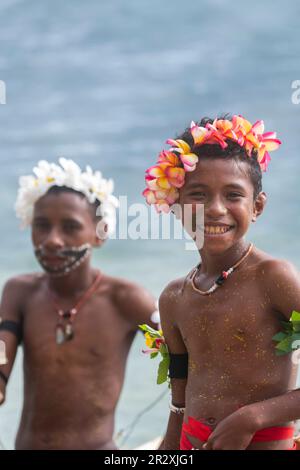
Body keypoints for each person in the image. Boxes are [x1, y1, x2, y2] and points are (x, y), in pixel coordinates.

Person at [143, 115, 300, 450]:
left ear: (257, 206)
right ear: (176, 206)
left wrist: (252, 418)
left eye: (232, 195)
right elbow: (180, 401)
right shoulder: (174, 298)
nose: (215, 209)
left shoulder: (274, 278)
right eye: (198, 194)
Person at [0, 158, 159, 450]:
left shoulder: (125, 300)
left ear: (101, 234)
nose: (52, 240)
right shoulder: (19, 293)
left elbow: (183, 355)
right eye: (42, 226)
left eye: (70, 227)